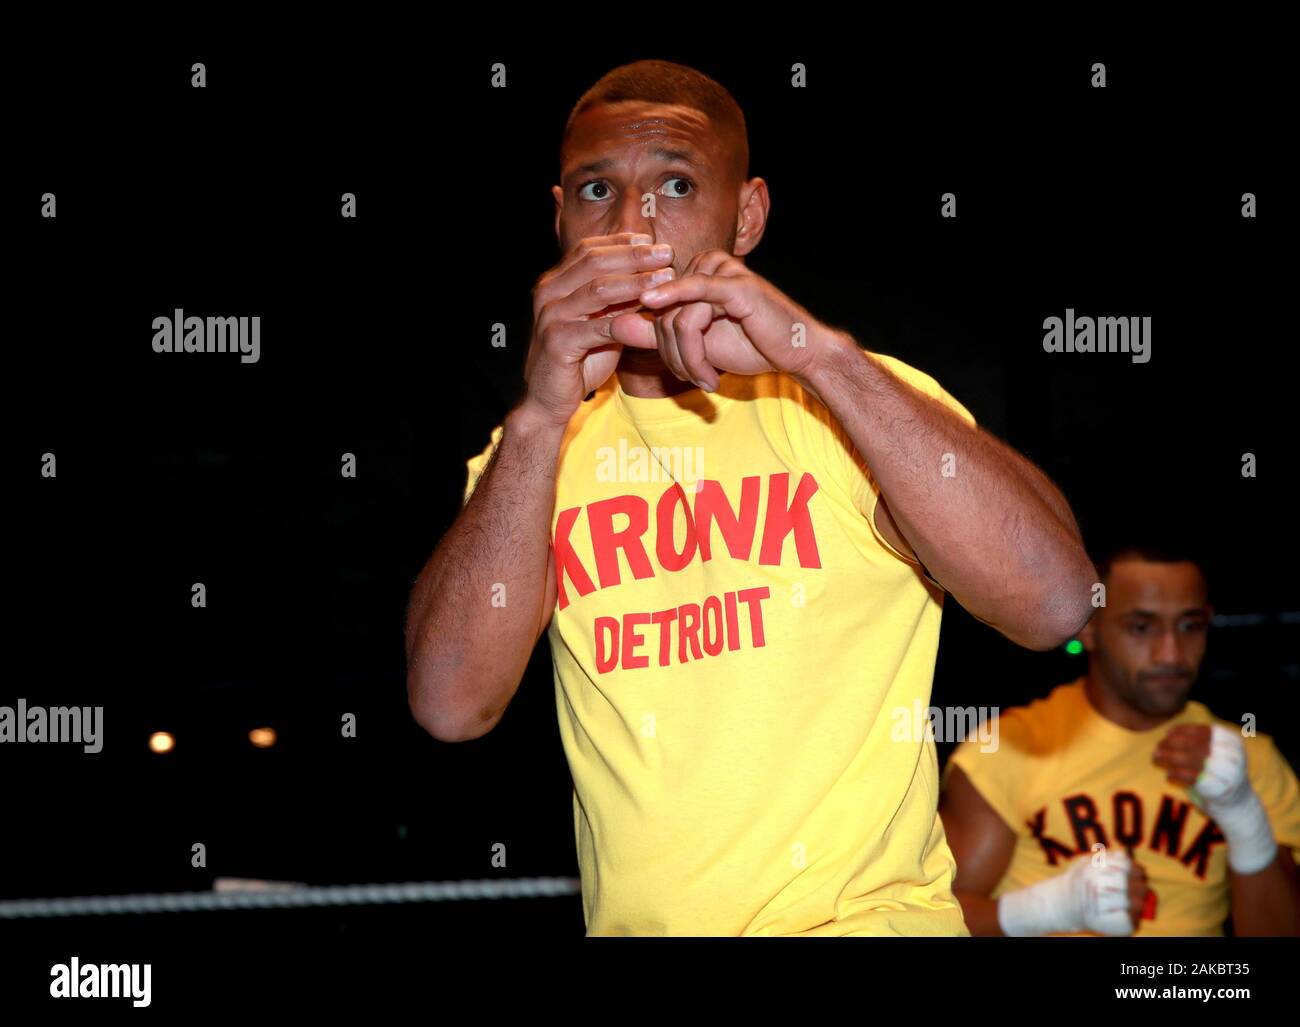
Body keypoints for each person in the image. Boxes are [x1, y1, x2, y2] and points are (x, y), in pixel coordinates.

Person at [405, 59, 1096, 936]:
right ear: (559, 218)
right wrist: (541, 415)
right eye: (596, 191)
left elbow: (1057, 604)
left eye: (677, 185)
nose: (632, 226)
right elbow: (450, 704)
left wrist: (818, 356)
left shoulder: (846, 402)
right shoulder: (533, 454)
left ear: (748, 215)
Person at [940, 543, 1300, 936]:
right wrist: (1046, 909)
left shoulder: (1249, 760)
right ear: (1088, 628)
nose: (1170, 654)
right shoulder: (1011, 747)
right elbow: (931, 919)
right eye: (1141, 627)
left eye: (1189, 626)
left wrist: (1244, 816)